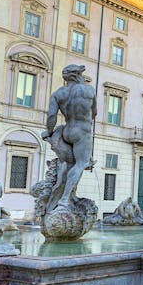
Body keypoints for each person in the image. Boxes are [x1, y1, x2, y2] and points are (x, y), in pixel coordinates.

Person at [42, 64, 97, 210]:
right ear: (78, 75)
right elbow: (94, 113)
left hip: (66, 131)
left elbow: (52, 115)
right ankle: (64, 199)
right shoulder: (89, 90)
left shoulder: (59, 93)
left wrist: (49, 131)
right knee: (81, 164)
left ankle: (67, 195)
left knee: (69, 165)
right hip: (82, 131)